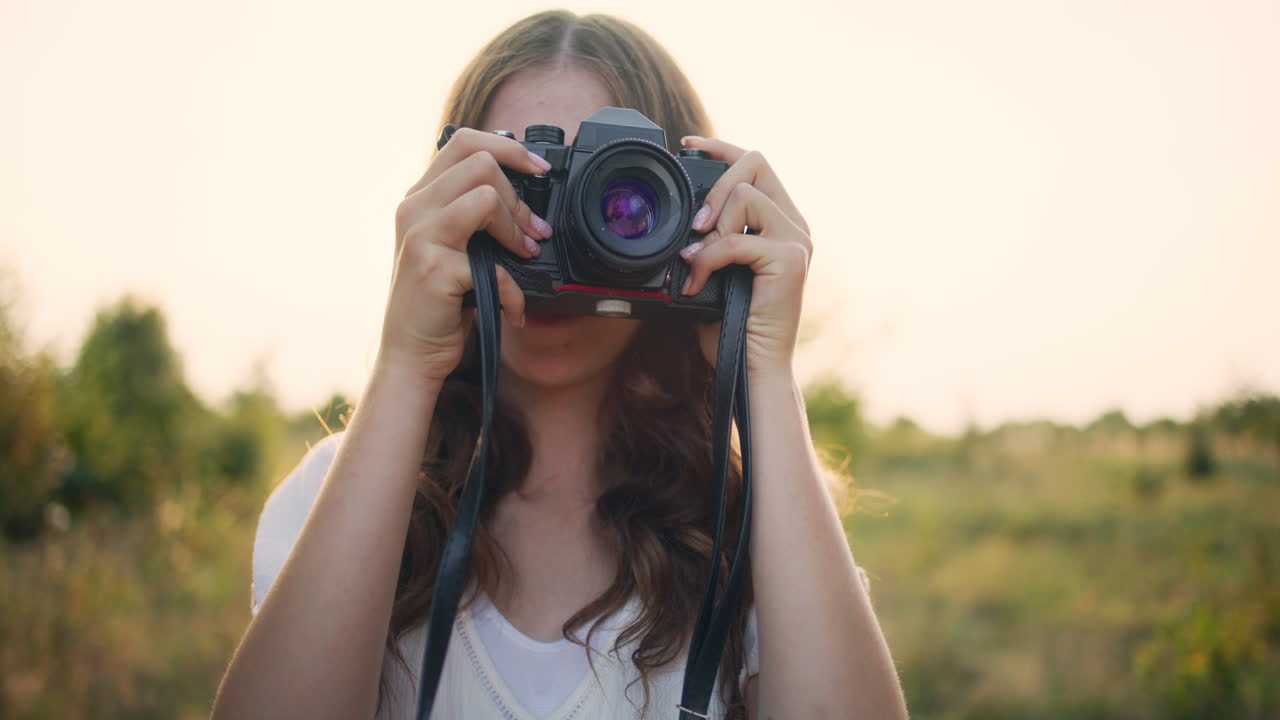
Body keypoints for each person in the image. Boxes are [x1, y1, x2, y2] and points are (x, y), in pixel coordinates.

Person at [212, 10, 907, 720]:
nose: (560, 231)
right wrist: (405, 364)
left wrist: (761, 366)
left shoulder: (756, 523)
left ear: (695, 212)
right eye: (524, 184)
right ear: (445, 195)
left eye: (617, 201)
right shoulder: (340, 489)